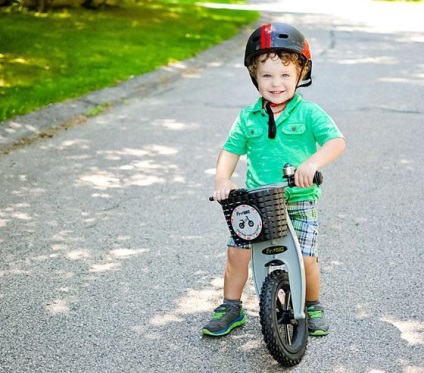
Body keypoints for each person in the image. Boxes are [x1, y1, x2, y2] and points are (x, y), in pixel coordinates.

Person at [202, 22, 345, 337]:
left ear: (300, 75)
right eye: (267, 75)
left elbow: (336, 142)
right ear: (255, 76)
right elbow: (229, 151)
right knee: (237, 252)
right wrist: (223, 179)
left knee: (306, 257)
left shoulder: (309, 114)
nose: (276, 83)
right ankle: (231, 306)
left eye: (285, 75)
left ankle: (312, 304)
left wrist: (312, 163)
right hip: (257, 201)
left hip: (297, 199)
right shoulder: (248, 117)